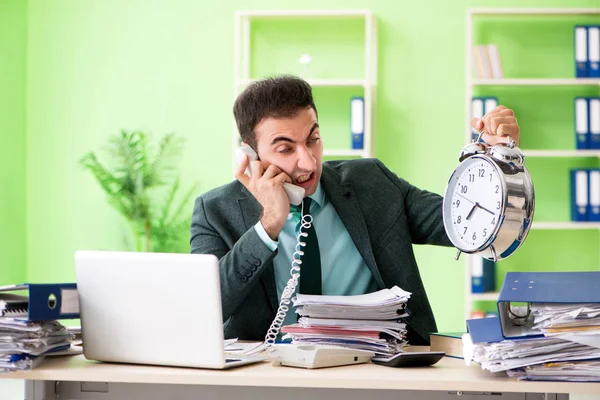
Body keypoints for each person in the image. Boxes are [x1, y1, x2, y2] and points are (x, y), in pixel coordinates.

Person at [189, 75, 520, 345]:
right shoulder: (214, 211)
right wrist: (269, 225)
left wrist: (499, 161)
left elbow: (461, 224)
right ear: (250, 154)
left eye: (313, 138)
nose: (307, 161)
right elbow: (204, 310)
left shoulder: (371, 182)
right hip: (268, 381)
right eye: (286, 148)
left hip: (375, 371)